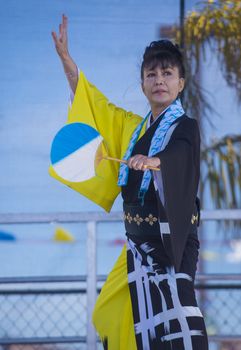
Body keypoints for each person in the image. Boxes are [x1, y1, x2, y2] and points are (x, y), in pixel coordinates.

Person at [51, 14, 209, 350]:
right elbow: (97, 108)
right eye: (151, 74)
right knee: (114, 310)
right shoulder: (133, 130)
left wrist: (156, 162)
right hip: (138, 245)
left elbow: (181, 153)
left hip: (172, 243)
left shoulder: (185, 128)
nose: (159, 80)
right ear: (142, 84)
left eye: (167, 73)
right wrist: (69, 64)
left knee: (177, 321)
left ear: (181, 83)